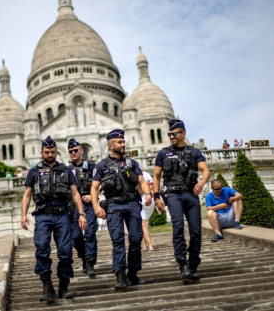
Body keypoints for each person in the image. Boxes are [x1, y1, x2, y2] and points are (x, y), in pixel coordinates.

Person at [20, 136, 87, 302]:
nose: (50, 154)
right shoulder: (34, 172)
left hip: (62, 214)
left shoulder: (66, 170)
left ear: (56, 151)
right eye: (47, 152)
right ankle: (47, 286)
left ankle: (63, 286)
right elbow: (27, 195)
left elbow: (75, 194)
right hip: (42, 215)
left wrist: (82, 214)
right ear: (42, 152)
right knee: (42, 248)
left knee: (65, 251)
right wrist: (23, 215)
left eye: (53, 152)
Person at [90, 129, 152, 291]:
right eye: (120, 142)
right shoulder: (101, 165)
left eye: (123, 142)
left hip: (132, 203)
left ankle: (133, 273)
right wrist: (96, 206)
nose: (123, 144)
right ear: (111, 145)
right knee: (117, 240)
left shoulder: (132, 163)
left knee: (136, 238)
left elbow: (141, 180)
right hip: (113, 206)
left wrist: (148, 194)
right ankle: (120, 274)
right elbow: (94, 188)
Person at [152, 119, 211, 280]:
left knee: (196, 230)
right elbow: (156, 176)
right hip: (173, 195)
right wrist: (156, 197)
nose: (171, 136)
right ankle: (182, 262)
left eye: (174, 134)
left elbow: (205, 171)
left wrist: (202, 182)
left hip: (191, 194)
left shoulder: (194, 152)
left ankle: (193, 263)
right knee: (177, 226)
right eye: (169, 134)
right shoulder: (163, 153)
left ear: (183, 133)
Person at [67, 138, 98, 278]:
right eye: (70, 151)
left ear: (81, 151)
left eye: (75, 150)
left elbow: (100, 184)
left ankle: (90, 261)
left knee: (90, 232)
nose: (73, 153)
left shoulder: (92, 167)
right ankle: (84, 256)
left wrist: (93, 196)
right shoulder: (66, 170)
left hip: (89, 204)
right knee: (76, 237)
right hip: (73, 207)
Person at [139, 171, 155, 252]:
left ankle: (150, 246)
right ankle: (144, 246)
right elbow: (151, 187)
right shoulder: (146, 174)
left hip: (141, 199)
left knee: (143, 225)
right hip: (150, 199)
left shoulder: (134, 174)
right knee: (143, 223)